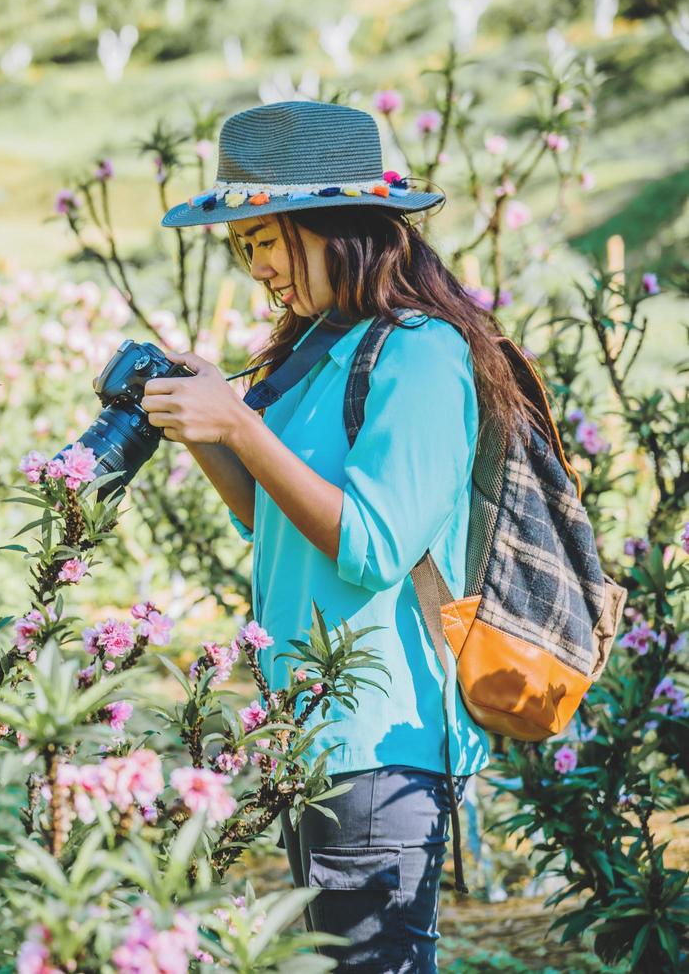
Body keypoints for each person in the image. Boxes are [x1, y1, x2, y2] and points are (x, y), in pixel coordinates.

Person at [138, 101, 533, 972]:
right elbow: (270, 518)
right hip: (313, 728)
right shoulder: (320, 348)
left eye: (269, 241)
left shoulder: (420, 353)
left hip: (381, 742)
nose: (258, 269)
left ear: (335, 227)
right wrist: (211, 424)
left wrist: (242, 428)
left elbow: (373, 546)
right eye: (244, 249)